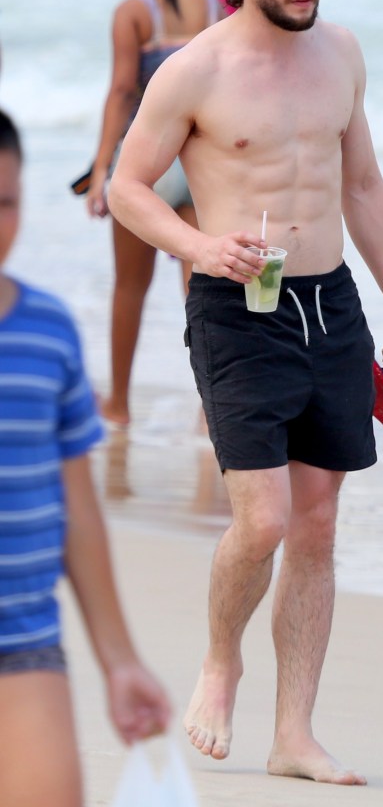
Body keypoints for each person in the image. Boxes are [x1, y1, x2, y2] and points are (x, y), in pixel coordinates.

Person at [108, 0, 383, 785]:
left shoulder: (343, 54)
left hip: (331, 306)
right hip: (237, 311)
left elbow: (361, 185)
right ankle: (220, 660)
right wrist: (201, 245)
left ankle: (295, 735)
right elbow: (131, 186)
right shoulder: (194, 71)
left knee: (317, 526)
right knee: (267, 519)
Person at [0, 109, 172, 807]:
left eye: (5, 202)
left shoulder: (47, 333)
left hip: (25, 643)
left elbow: (77, 507)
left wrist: (119, 659)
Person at [88, 0, 223, 427]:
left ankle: (119, 404)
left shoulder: (133, 12)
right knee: (203, 292)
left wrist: (102, 169)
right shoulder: (212, 5)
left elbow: (123, 91)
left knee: (129, 286)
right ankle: (212, 407)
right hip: (198, 162)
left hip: (145, 167)